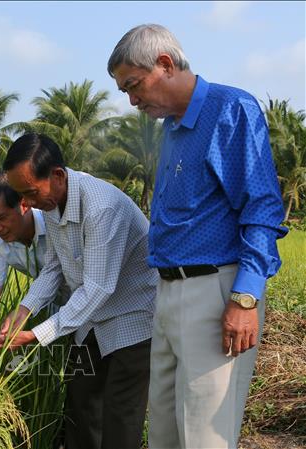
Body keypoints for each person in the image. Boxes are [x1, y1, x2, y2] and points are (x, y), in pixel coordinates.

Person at [107, 24, 288, 449]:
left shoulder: (230, 110)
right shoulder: (170, 128)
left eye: (134, 85)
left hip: (214, 294)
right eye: (125, 92)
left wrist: (245, 298)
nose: (132, 101)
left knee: (206, 436)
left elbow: (261, 208)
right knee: (165, 435)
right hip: (167, 293)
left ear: (165, 65)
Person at [0, 133, 158, 449]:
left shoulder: (101, 207)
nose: (25, 204)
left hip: (133, 320)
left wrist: (35, 335)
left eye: (29, 192)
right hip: (89, 323)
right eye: (19, 195)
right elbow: (55, 267)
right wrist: (23, 310)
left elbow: (97, 288)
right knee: (81, 409)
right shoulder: (52, 203)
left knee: (120, 415)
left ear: (56, 175)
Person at [0, 171, 68, 350]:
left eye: (1, 218)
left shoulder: (53, 223)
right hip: (53, 310)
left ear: (24, 204)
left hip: (88, 302)